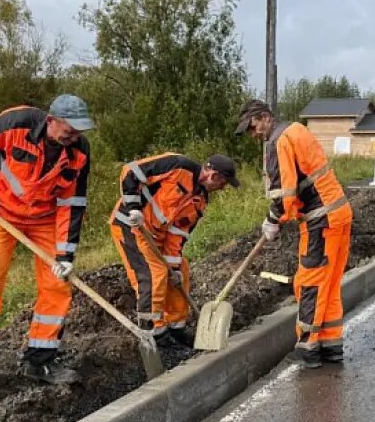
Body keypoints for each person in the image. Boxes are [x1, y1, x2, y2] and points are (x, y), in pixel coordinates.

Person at [0, 95, 94, 406]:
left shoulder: (78, 152)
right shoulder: (15, 123)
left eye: (80, 132)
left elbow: (72, 204)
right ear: (51, 120)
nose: (74, 137)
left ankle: (40, 361)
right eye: (70, 130)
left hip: (45, 219)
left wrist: (65, 254)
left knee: (57, 287)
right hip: (2, 214)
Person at [235, 99, 353, 368]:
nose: (253, 134)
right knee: (329, 284)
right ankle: (331, 344)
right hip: (339, 214)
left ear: (264, 117)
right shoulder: (296, 129)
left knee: (309, 283)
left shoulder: (278, 141)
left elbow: (285, 193)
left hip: (319, 221)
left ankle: (308, 347)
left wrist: (272, 219)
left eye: (252, 127)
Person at [109, 154, 239, 345]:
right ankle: (154, 332)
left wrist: (175, 268)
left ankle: (176, 329)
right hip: (132, 226)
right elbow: (131, 170)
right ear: (214, 176)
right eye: (224, 183)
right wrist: (133, 207)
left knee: (180, 272)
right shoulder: (177, 165)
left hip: (157, 237)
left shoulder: (200, 201)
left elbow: (177, 235)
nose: (222, 188)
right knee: (155, 274)